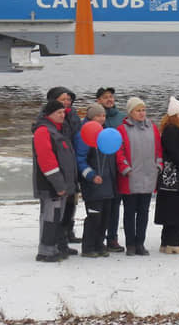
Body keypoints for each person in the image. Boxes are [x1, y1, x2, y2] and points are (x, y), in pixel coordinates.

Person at [32, 100, 78, 262]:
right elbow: (46, 160)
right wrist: (58, 184)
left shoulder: (59, 131)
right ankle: (45, 251)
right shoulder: (43, 131)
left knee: (57, 217)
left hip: (62, 184)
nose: (62, 115)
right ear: (49, 114)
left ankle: (55, 247)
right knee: (50, 217)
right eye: (59, 112)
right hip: (50, 184)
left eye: (63, 112)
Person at [116, 97, 163, 256]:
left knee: (144, 211)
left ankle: (140, 243)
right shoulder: (122, 129)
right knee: (129, 212)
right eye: (138, 110)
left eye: (143, 110)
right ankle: (130, 244)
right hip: (130, 177)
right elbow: (119, 151)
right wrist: (125, 169)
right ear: (130, 112)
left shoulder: (152, 127)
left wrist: (158, 165)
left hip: (149, 175)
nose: (142, 113)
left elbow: (158, 149)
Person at [75, 103, 117, 257]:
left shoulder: (105, 133)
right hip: (92, 183)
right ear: (91, 117)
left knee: (106, 215)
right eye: (98, 116)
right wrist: (91, 176)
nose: (102, 118)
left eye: (104, 116)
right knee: (94, 216)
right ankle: (88, 247)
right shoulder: (84, 133)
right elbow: (80, 160)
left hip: (107, 182)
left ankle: (100, 244)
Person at [154, 97, 179, 254]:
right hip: (175, 176)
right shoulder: (173, 130)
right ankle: (173, 242)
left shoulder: (173, 129)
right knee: (178, 209)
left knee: (170, 210)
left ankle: (166, 242)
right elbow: (177, 155)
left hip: (170, 177)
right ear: (173, 115)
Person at [46, 86, 82, 247]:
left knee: (72, 200)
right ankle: (58, 237)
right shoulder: (49, 119)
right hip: (60, 165)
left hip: (73, 162)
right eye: (63, 100)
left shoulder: (73, 115)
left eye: (69, 99)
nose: (67, 102)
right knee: (60, 203)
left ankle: (69, 231)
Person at [96, 86, 126, 252]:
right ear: (98, 100)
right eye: (105, 97)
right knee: (100, 205)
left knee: (115, 204)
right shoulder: (93, 119)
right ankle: (97, 238)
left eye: (111, 97)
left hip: (117, 167)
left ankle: (112, 238)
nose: (109, 99)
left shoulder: (121, 117)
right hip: (100, 168)